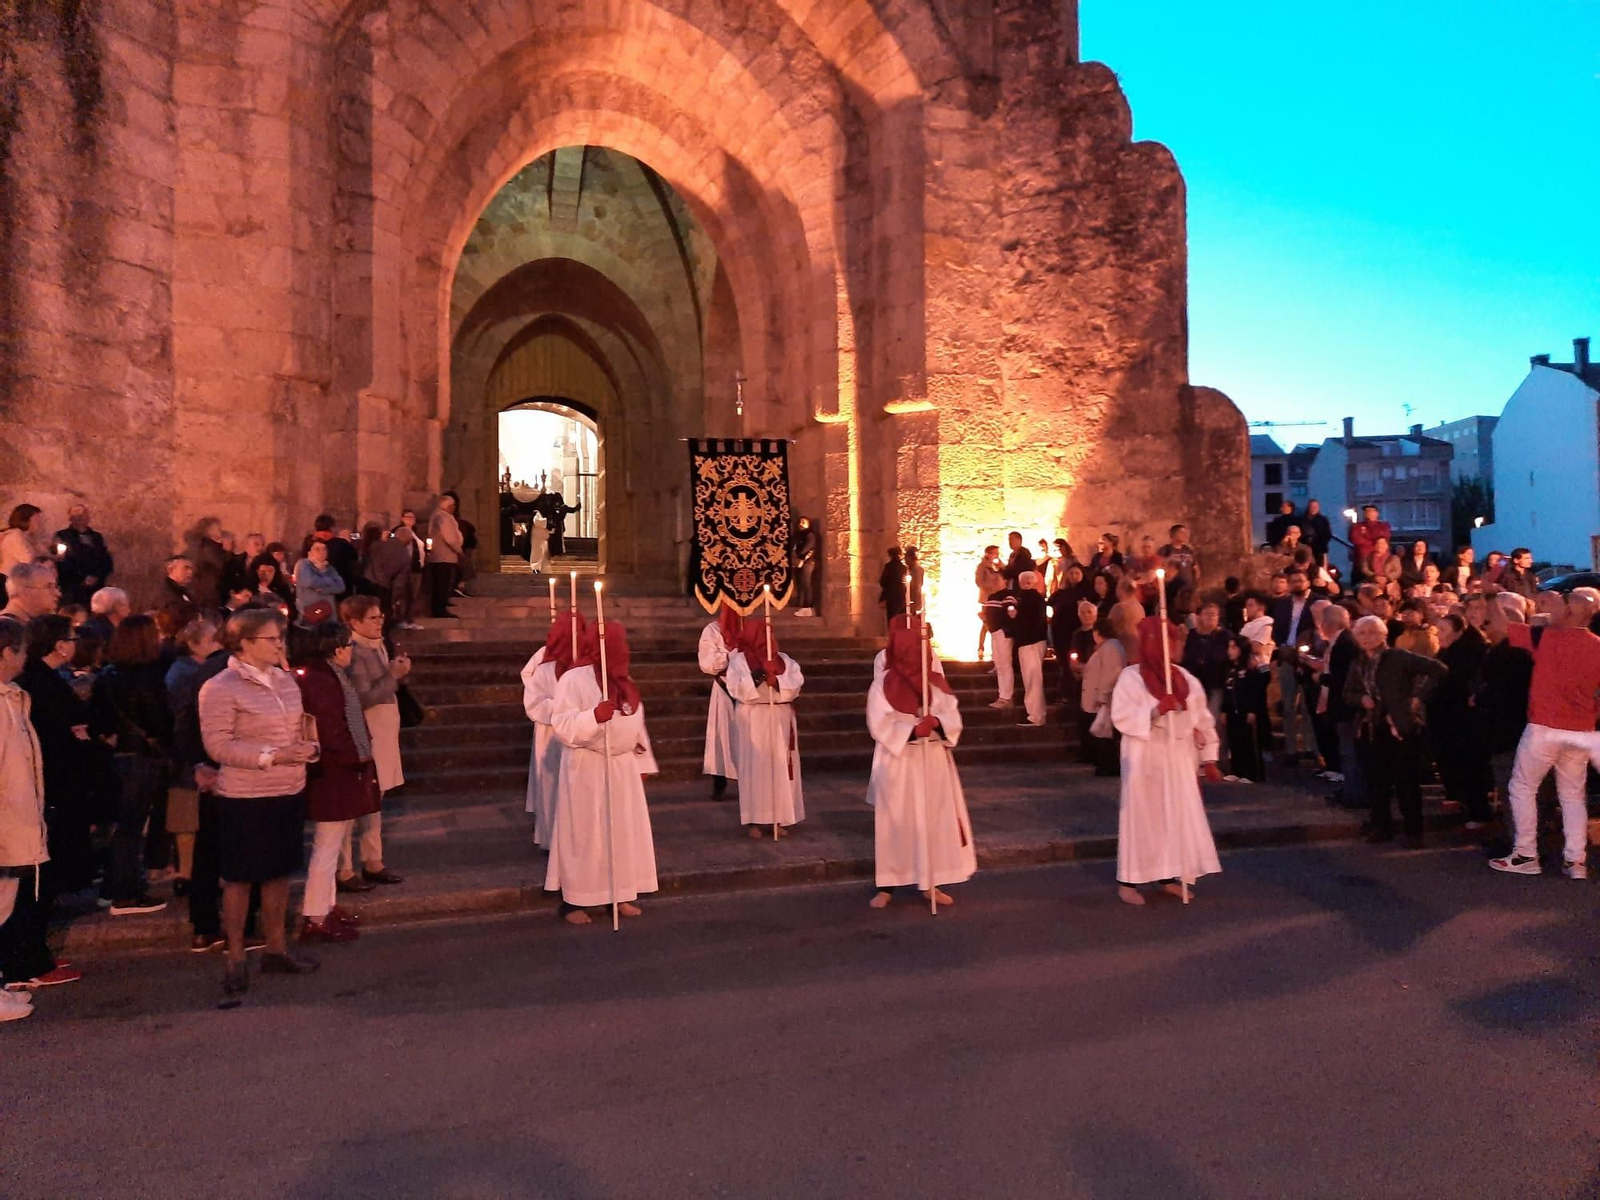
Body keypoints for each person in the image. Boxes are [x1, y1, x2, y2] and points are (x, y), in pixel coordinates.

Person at [200, 606, 322, 1005]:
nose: (280, 644)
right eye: (272, 638)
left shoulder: (286, 680)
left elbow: (301, 724)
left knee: (279, 872)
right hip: (245, 796)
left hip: (288, 789)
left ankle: (276, 948)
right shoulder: (220, 687)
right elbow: (218, 745)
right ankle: (235, 956)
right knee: (240, 877)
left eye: (280, 637)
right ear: (245, 642)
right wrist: (272, 756)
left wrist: (309, 746)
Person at [544, 620, 658, 925]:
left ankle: (620, 894)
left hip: (621, 766)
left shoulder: (624, 681)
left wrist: (643, 761)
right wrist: (593, 717)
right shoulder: (574, 679)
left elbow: (638, 722)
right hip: (588, 766)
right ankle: (575, 901)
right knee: (586, 834)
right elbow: (562, 724)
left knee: (621, 832)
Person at [1109, 616, 1223, 905]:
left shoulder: (1186, 679)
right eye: (1170, 642)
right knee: (1144, 818)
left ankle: (1169, 875)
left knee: (1175, 817)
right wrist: (1156, 710)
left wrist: (1209, 758)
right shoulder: (1132, 678)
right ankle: (1129, 880)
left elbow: (1202, 719)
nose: (1176, 647)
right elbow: (1121, 715)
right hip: (1145, 757)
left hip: (1178, 758)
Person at [865, 615, 976, 909]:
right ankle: (887, 884)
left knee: (932, 819)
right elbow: (878, 721)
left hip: (931, 758)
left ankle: (931, 882)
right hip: (899, 760)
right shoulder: (883, 684)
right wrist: (913, 730)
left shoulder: (934, 682)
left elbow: (951, 714)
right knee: (895, 820)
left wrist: (937, 722)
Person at [1488, 588, 1600, 878]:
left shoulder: (1546, 637)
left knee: (1522, 788)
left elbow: (1501, 627)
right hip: (1581, 730)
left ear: (1569, 611)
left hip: (1544, 728)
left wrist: (1490, 598)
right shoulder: (1597, 645)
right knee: (1573, 796)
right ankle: (1576, 861)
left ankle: (1526, 854)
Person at [0, 619, 75, 1012]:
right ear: (6, 653)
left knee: (6, 903)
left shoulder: (14, 698)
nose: (25, 658)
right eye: (21, 651)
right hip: (7, 821)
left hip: (20, 818)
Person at [291, 620, 380, 944]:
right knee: (326, 847)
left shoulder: (328, 676)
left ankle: (326, 906)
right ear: (339, 649)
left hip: (336, 770)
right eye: (350, 645)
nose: (352, 651)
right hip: (333, 772)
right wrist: (354, 757)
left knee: (331, 843)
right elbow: (331, 729)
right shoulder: (323, 681)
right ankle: (315, 915)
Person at [89, 615, 172, 914]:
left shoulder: (107, 675)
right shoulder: (150, 677)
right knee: (132, 826)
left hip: (117, 756)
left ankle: (112, 888)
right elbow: (160, 720)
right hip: (143, 756)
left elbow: (97, 719)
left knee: (124, 825)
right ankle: (125, 894)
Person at [1343, 615, 1446, 848]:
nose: (1367, 637)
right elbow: (1348, 692)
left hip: (1400, 725)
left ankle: (1413, 832)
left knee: (1405, 780)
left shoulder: (1398, 657)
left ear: (1383, 635)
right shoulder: (1358, 663)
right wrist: (1361, 699)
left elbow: (1438, 669)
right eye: (1362, 633)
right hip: (1373, 726)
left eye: (1372, 632)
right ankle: (1382, 826)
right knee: (1377, 780)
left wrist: (1418, 699)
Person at [20, 614, 96, 897]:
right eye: (73, 639)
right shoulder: (41, 682)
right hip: (55, 775)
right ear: (60, 646)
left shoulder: (42, 677)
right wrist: (79, 735)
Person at [340, 596, 406, 888]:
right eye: (373, 618)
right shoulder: (354, 653)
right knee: (354, 803)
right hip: (367, 735)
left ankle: (373, 860)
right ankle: (344, 868)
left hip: (384, 734)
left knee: (374, 800)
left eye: (381, 616)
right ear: (354, 622)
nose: (380, 622)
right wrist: (393, 675)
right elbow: (362, 698)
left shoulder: (377, 644)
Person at [725, 617, 805, 837]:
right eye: (762, 634)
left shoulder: (784, 660)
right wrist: (760, 675)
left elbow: (796, 683)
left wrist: (777, 682)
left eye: (770, 633)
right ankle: (754, 819)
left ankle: (778, 818)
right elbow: (735, 687)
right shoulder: (739, 660)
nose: (768, 638)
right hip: (754, 718)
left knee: (779, 767)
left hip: (779, 717)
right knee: (755, 768)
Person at [523, 609, 585, 844]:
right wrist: (562, 707)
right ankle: (550, 836)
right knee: (551, 786)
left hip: (579, 732)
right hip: (550, 734)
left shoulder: (586, 667)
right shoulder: (545, 667)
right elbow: (533, 703)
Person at [1430, 613, 1492, 827]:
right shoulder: (1447, 651)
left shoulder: (1466, 655)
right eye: (1437, 630)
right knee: (1459, 766)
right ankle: (1463, 802)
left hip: (1463, 722)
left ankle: (1479, 813)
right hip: (1449, 720)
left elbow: (1454, 685)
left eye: (1443, 630)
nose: (1439, 635)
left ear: (1458, 632)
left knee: (1470, 768)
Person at [696, 604, 741, 801]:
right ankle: (719, 782)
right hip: (724, 688)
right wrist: (730, 656)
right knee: (721, 735)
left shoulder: (750, 628)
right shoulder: (712, 631)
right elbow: (706, 662)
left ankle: (751, 780)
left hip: (750, 689)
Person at [1271, 569, 1317, 757]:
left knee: (1308, 706)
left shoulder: (1317, 602)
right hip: (1287, 655)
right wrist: (1281, 649)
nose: (1297, 584)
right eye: (1293, 581)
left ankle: (1309, 748)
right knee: (1288, 705)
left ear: (1308, 582)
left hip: (1309, 657)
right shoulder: (1282, 604)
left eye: (1300, 580)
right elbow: (1276, 629)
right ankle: (1291, 751)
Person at [1220, 633, 1270, 782]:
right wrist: (1224, 710)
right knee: (1234, 739)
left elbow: (1255, 691)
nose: (1230, 651)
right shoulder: (1230, 668)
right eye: (1229, 647)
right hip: (1232, 709)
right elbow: (1227, 690)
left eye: (1233, 647)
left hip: (1245, 710)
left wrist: (1252, 710)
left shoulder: (1251, 669)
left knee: (1248, 741)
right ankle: (1237, 769)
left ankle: (1251, 773)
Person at [1079, 617, 1124, 776]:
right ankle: (1104, 763)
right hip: (1099, 695)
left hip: (1105, 698)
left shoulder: (1110, 647)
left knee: (1105, 732)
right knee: (1102, 731)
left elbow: (1111, 672)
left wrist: (1103, 695)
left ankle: (1108, 764)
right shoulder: (1106, 647)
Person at [1181, 602, 1232, 732]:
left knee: (1212, 723)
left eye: (1213, 614)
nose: (1210, 617)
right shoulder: (1190, 636)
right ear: (1198, 616)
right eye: (1207, 614)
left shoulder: (1225, 636)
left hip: (1215, 684)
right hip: (1193, 686)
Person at [1007, 571, 1049, 726]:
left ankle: (1035, 715)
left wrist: (1014, 616)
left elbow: (1025, 622)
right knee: (1034, 679)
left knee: (1032, 679)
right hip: (1037, 641)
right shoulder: (1037, 598)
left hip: (1029, 643)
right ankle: (1037, 713)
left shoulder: (1026, 600)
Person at [53, 504, 113, 606]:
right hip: (72, 587)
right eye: (75, 515)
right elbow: (62, 562)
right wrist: (80, 578)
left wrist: (97, 576)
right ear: (70, 518)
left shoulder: (97, 537)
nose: (79, 518)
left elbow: (105, 559)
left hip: (95, 586)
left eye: (82, 514)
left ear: (88, 517)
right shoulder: (62, 536)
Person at [425, 494, 465, 618]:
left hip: (441, 556)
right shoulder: (443, 517)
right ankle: (439, 608)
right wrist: (458, 550)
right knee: (442, 583)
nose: (454, 508)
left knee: (443, 583)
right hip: (443, 556)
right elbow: (449, 537)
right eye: (453, 505)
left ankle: (442, 603)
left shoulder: (439, 516)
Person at [293, 539, 344, 617]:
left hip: (328, 611)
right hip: (310, 612)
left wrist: (324, 590)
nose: (322, 552)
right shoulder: (304, 565)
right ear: (309, 552)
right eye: (317, 549)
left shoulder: (330, 568)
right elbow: (310, 582)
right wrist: (330, 581)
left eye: (324, 549)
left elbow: (341, 587)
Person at [0, 504, 43, 587]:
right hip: (11, 581)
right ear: (26, 519)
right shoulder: (16, 536)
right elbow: (28, 560)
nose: (40, 522)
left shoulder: (23, 536)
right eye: (36, 519)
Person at [974, 546, 1004, 661]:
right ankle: (981, 647)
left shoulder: (998, 566)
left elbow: (1005, 574)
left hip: (999, 599)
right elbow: (979, 582)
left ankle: (993, 649)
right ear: (988, 554)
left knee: (995, 624)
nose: (997, 556)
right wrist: (992, 586)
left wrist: (1001, 566)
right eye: (994, 553)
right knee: (987, 624)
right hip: (988, 599)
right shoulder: (982, 567)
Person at [1349, 505, 1391, 572]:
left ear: (1377, 513)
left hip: (1380, 560)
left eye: (1371, 511)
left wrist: (1365, 535)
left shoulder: (1383, 525)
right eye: (1366, 511)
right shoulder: (1357, 526)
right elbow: (1356, 539)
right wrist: (1373, 540)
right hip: (1361, 559)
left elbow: (1383, 537)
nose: (1368, 513)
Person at [791, 517, 819, 616]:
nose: (801, 524)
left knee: (806, 583)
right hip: (799, 562)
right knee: (801, 584)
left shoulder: (810, 535)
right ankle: (801, 604)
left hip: (807, 562)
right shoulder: (798, 536)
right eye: (800, 522)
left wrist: (799, 554)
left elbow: (806, 548)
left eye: (803, 522)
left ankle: (808, 607)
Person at [877, 546, 906, 628]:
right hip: (901, 597)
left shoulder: (889, 567)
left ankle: (892, 634)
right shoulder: (904, 568)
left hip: (891, 597)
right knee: (900, 620)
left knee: (891, 620)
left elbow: (883, 582)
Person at [1299, 500, 1332, 564]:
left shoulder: (1323, 520)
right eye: (1312, 506)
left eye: (1316, 507)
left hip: (1320, 549)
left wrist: (1320, 542)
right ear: (1308, 507)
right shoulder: (1301, 520)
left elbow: (1327, 534)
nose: (1314, 508)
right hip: (1304, 548)